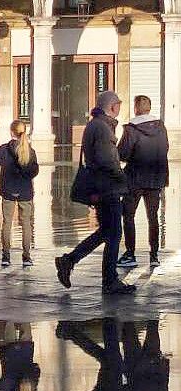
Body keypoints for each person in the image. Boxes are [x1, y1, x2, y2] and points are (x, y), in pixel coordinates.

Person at [56, 91, 136, 295]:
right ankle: (109, 280)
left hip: (102, 187)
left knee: (106, 232)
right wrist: (123, 180)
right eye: (118, 104)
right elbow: (108, 160)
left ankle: (69, 260)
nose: (119, 107)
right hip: (107, 188)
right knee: (114, 234)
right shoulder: (101, 127)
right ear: (111, 106)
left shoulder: (98, 124)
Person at [116, 95, 169, 269]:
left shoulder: (132, 129)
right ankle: (154, 255)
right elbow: (165, 148)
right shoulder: (161, 127)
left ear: (137, 108)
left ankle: (130, 253)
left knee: (128, 215)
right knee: (153, 217)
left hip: (135, 178)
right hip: (156, 179)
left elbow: (122, 153)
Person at [0, 120, 39, 268]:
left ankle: (6, 256)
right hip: (25, 191)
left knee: (7, 222)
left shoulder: (4, 149)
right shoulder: (30, 151)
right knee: (26, 224)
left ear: (11, 132)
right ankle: (26, 257)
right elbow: (34, 171)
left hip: (8, 190)